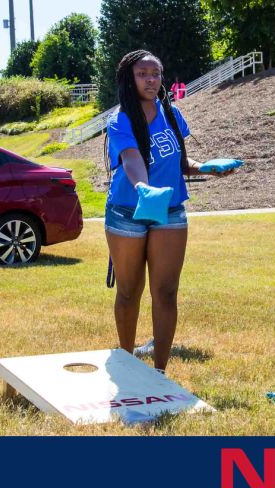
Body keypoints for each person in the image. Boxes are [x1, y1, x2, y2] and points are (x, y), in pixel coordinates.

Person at [105, 50, 237, 373]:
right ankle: (127, 363)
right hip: (127, 210)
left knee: (165, 293)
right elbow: (132, 159)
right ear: (129, 78)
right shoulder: (120, 119)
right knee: (129, 292)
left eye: (155, 74)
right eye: (142, 74)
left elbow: (179, 161)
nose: (150, 80)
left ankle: (160, 371)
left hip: (170, 210)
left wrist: (206, 167)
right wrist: (143, 188)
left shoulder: (171, 113)